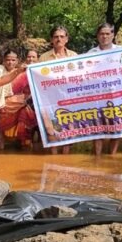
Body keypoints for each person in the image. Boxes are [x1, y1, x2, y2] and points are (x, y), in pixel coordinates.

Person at [39, 25, 77, 154]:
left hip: (69, 100)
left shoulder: (74, 56)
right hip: (50, 100)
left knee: (69, 133)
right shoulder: (43, 58)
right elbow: (38, 81)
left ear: (67, 39)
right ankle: (54, 160)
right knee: (52, 132)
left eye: (62, 36)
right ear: (51, 39)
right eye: (56, 37)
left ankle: (65, 160)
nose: (58, 39)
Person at [87, 22, 121, 155]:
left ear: (113, 35)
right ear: (97, 36)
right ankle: (97, 157)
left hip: (117, 95)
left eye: (107, 33)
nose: (104, 36)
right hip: (97, 96)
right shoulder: (90, 54)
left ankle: (112, 156)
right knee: (97, 126)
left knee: (116, 126)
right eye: (102, 34)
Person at [0, 49, 39, 150]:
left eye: (13, 60)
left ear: (17, 61)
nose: (10, 62)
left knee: (25, 126)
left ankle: (26, 148)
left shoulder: (24, 73)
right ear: (3, 60)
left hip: (21, 106)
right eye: (8, 60)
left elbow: (30, 91)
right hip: (1, 107)